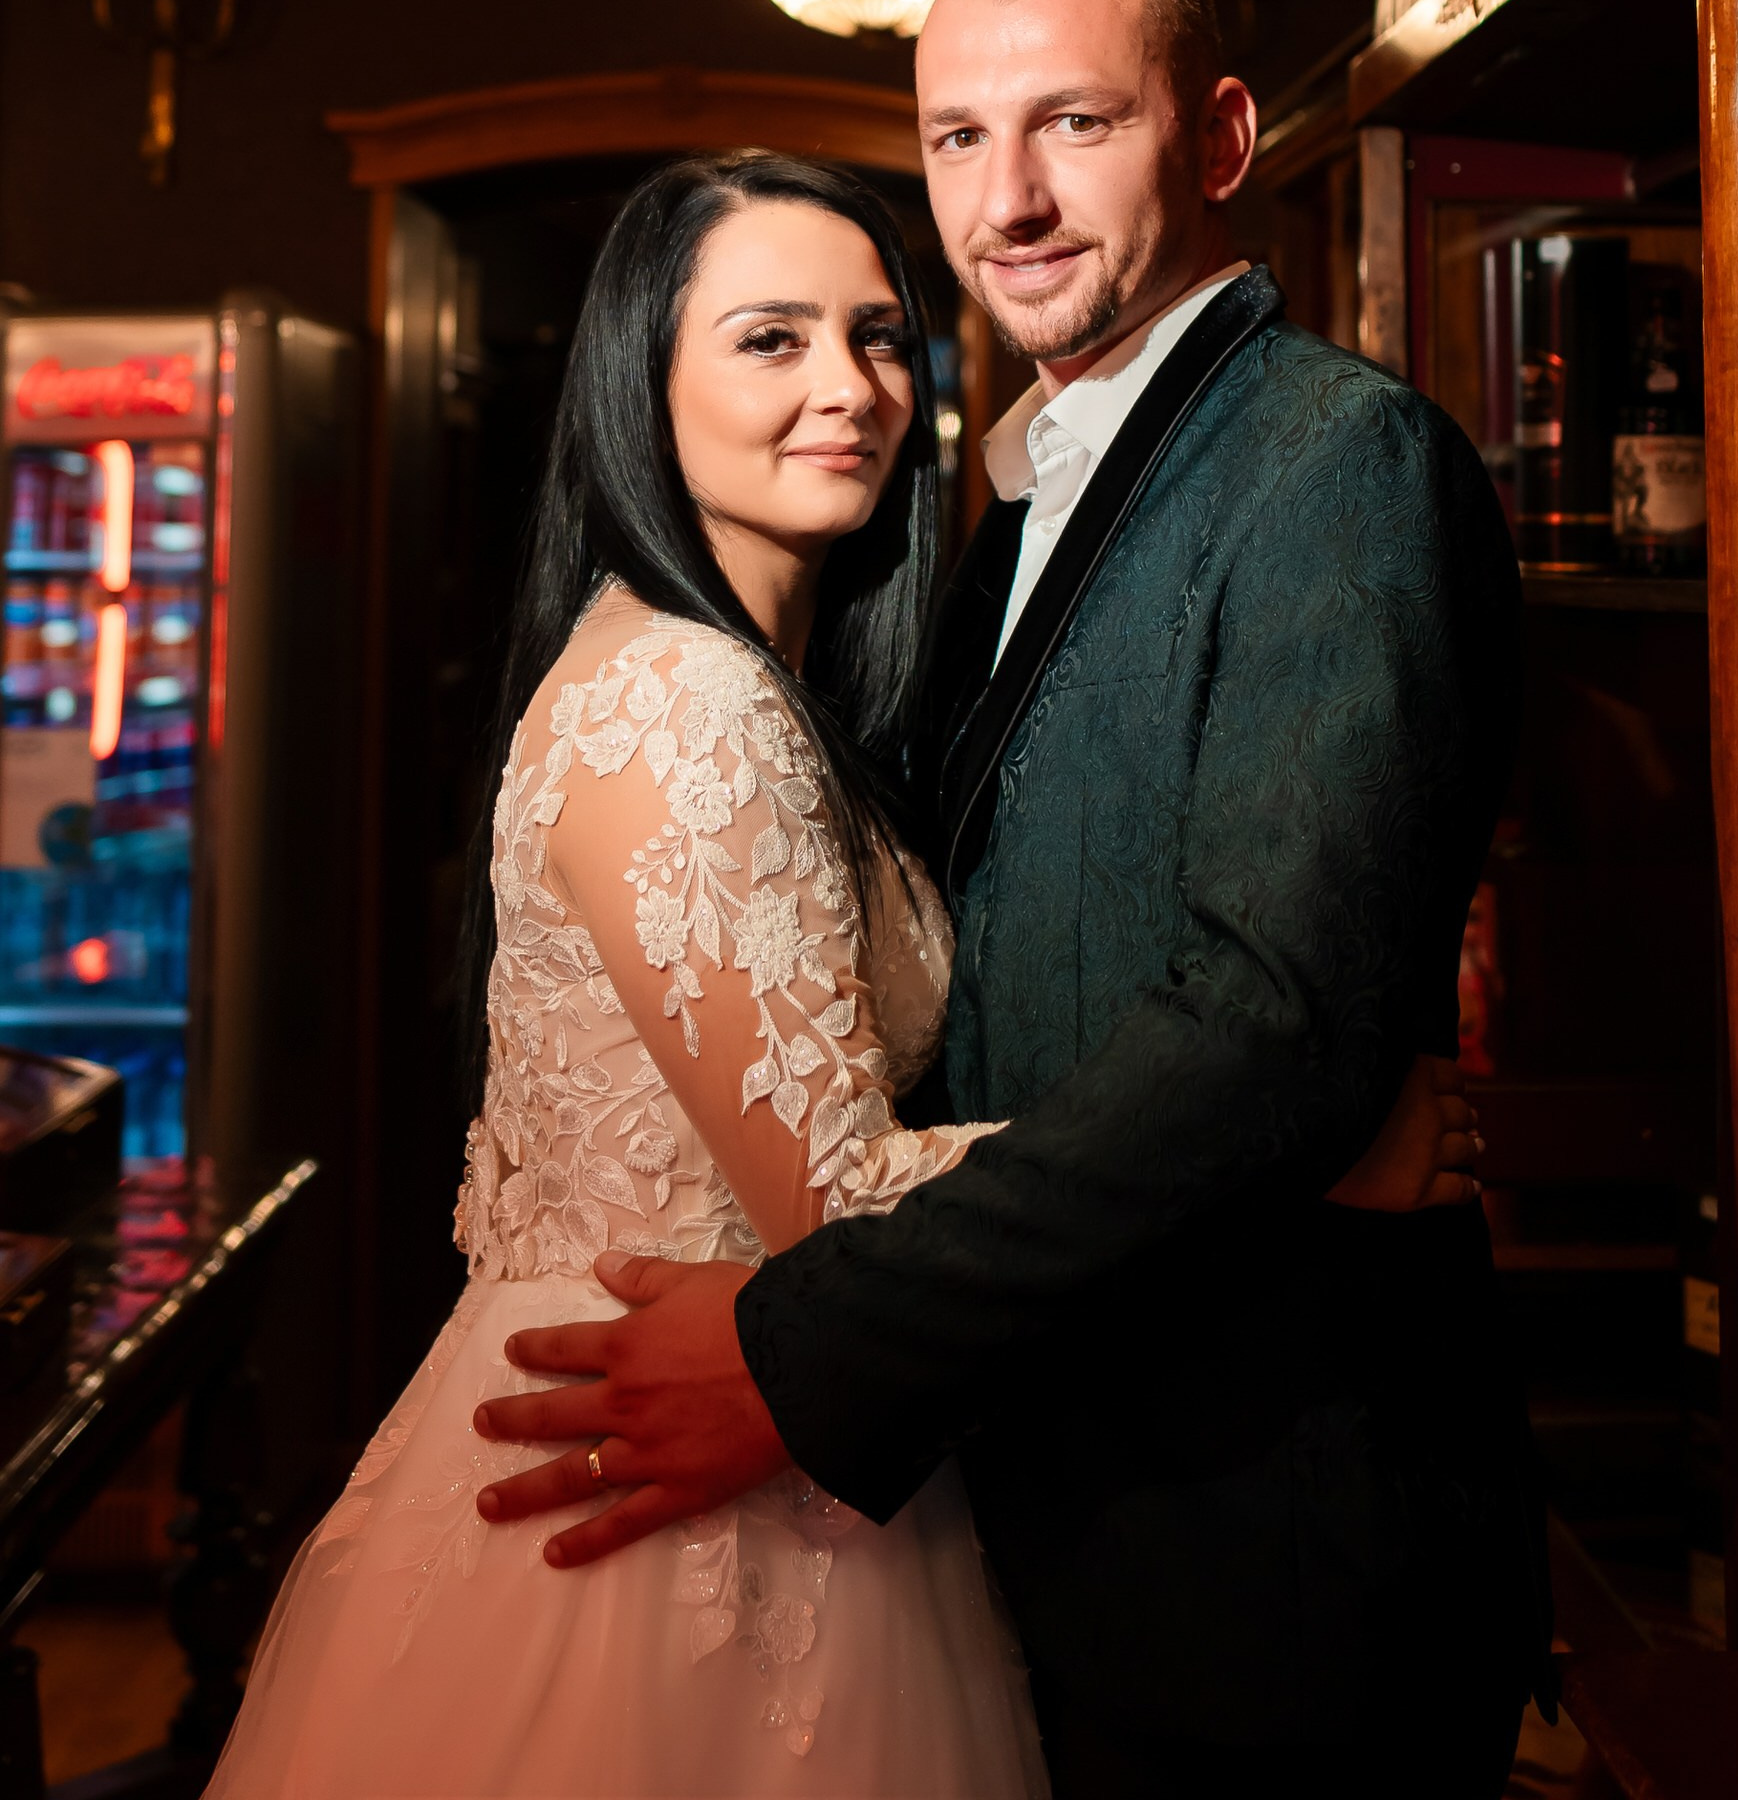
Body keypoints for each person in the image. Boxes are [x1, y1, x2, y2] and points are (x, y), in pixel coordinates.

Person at [206, 141, 1476, 1800]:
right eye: (771, 339)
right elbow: (837, 1200)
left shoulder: (746, 682)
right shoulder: (686, 705)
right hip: (676, 1469)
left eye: (880, 338)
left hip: (770, 1420)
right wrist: (1292, 1156)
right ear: (641, 385)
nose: (851, 389)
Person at [475, 0, 1550, 1800]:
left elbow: (1275, 1022)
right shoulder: (993, 523)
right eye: (960, 137)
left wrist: (807, 1350)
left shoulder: (1334, 462)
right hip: (1048, 1508)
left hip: (1268, 1557)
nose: (1013, 199)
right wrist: (1314, 1145)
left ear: (1218, 139)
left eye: (1078, 122)